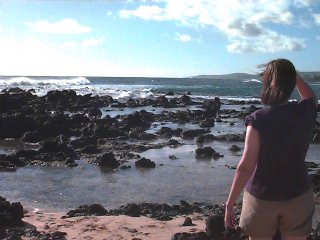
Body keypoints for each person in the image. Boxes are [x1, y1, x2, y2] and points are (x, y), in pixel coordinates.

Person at [224, 59, 318, 240]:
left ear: (268, 84)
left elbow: (245, 166)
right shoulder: (305, 112)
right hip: (298, 193)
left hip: (261, 197)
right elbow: (310, 97)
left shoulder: (258, 119)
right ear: (292, 83)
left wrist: (229, 204)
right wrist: (293, 75)